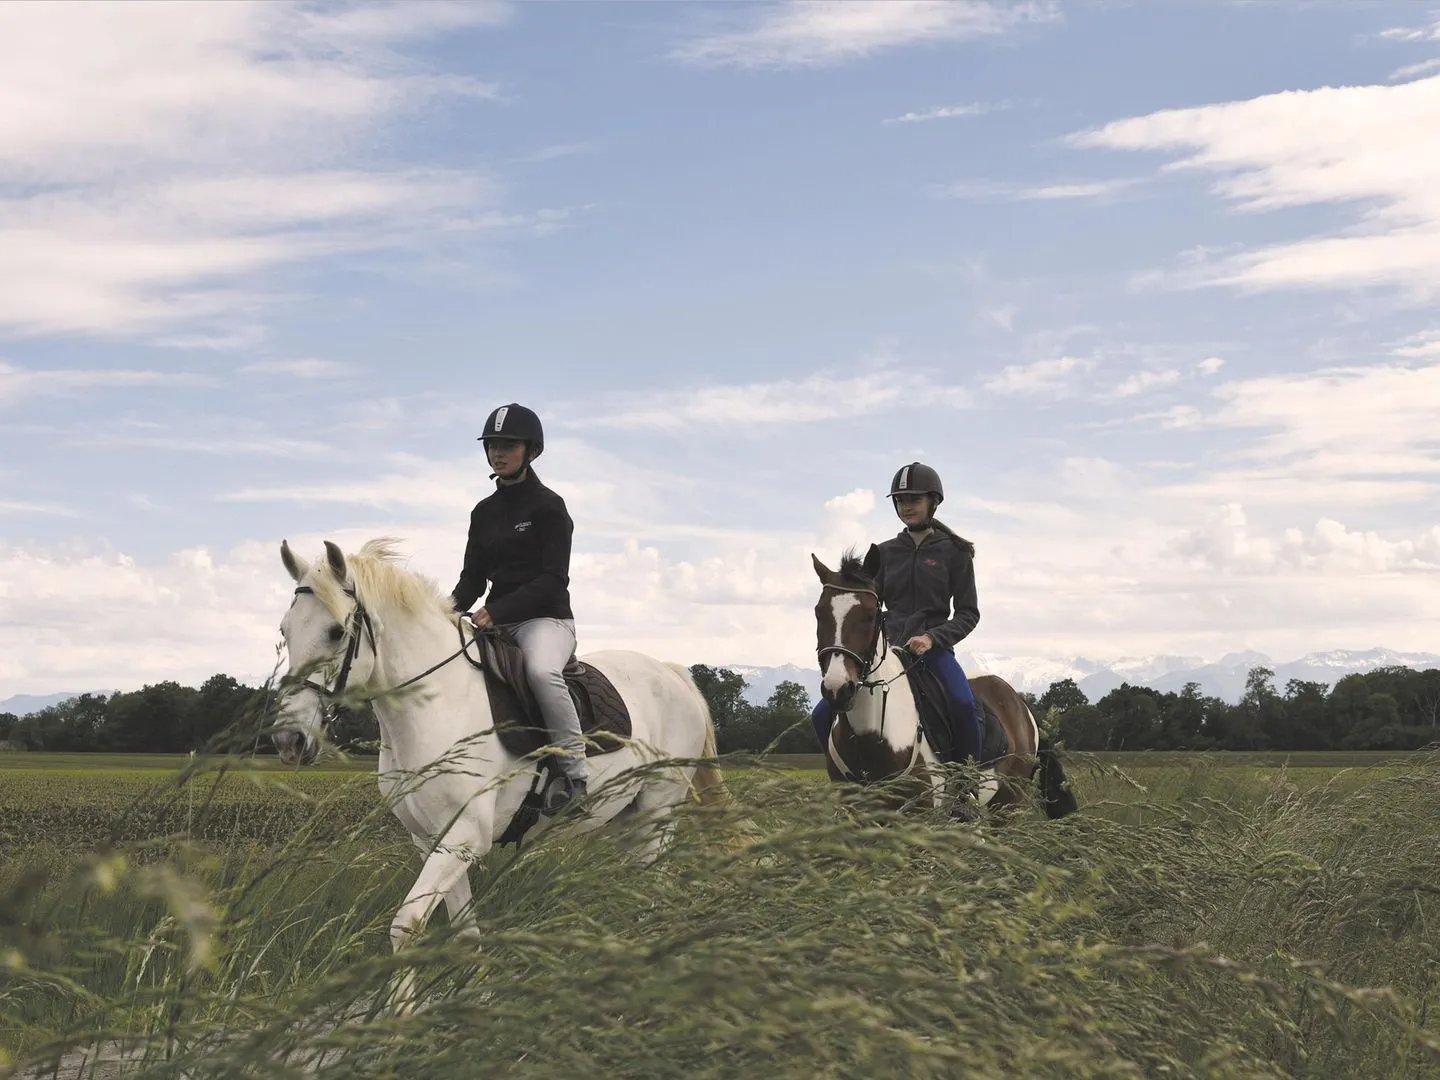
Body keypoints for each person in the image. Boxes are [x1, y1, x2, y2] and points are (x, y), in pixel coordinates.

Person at [450, 403, 588, 814]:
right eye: (492, 445)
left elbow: (552, 580)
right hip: (496, 623)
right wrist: (442, 611)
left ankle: (575, 775)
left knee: (541, 672)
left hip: (546, 620)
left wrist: (499, 609)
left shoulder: (549, 507)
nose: (498, 452)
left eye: (508, 445)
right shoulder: (483, 512)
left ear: (531, 449)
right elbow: (473, 579)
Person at [811, 462, 984, 770]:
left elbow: (968, 614)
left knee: (962, 703)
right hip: (887, 653)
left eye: (914, 500)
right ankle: (847, 782)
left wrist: (933, 638)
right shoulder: (885, 553)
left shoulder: (955, 553)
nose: (907, 507)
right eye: (901, 501)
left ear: (933, 502)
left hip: (933, 653)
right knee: (821, 714)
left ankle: (965, 783)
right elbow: (866, 605)